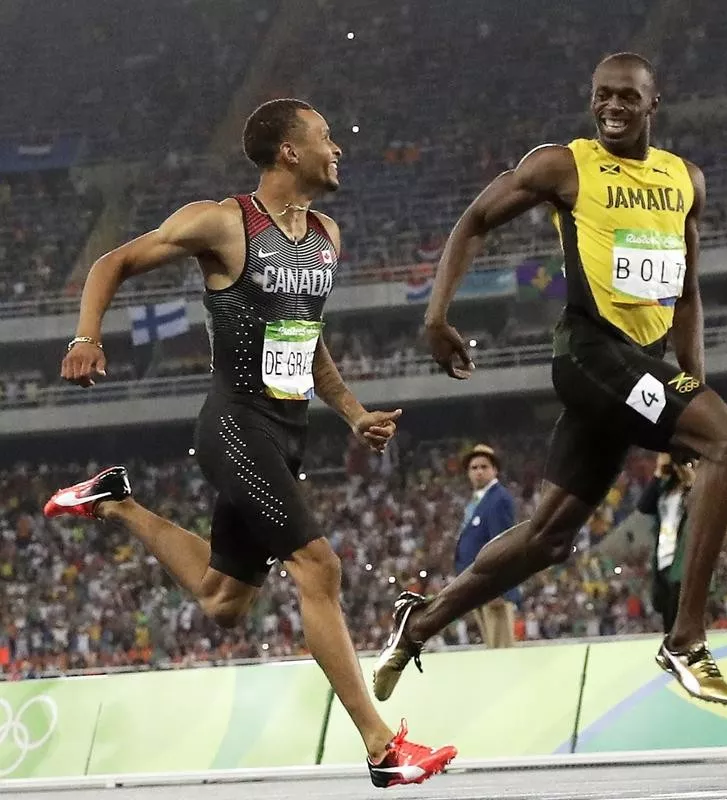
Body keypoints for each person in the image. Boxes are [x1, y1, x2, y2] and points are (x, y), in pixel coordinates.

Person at [44, 99, 456, 787]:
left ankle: (115, 503)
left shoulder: (328, 234)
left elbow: (306, 336)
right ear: (288, 152)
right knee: (319, 568)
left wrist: (352, 413)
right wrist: (86, 337)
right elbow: (112, 262)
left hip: (286, 431)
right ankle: (383, 748)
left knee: (222, 601)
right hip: (234, 423)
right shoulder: (224, 222)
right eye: (325, 137)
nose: (338, 149)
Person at [373, 53, 727, 707]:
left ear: (652, 105)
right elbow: (474, 220)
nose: (612, 106)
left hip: (638, 363)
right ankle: (685, 640)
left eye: (627, 97)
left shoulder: (684, 180)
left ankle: (421, 621)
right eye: (601, 95)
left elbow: (686, 293)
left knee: (550, 537)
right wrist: (436, 316)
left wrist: (693, 388)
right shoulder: (564, 165)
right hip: (588, 354)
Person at [455, 445, 520, 648]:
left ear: (495, 470)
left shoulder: (498, 499)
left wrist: (498, 588)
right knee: (492, 648)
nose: (478, 471)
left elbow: (502, 543)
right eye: (473, 468)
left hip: (493, 588)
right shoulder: (478, 501)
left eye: (484, 466)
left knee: (501, 649)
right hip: (479, 587)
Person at [638, 453, 694, 633]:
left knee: (678, 611)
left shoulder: (692, 489)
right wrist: (657, 473)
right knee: (665, 608)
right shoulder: (666, 487)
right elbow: (644, 506)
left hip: (682, 557)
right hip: (663, 554)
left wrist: (690, 476)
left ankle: (680, 650)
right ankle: (671, 649)